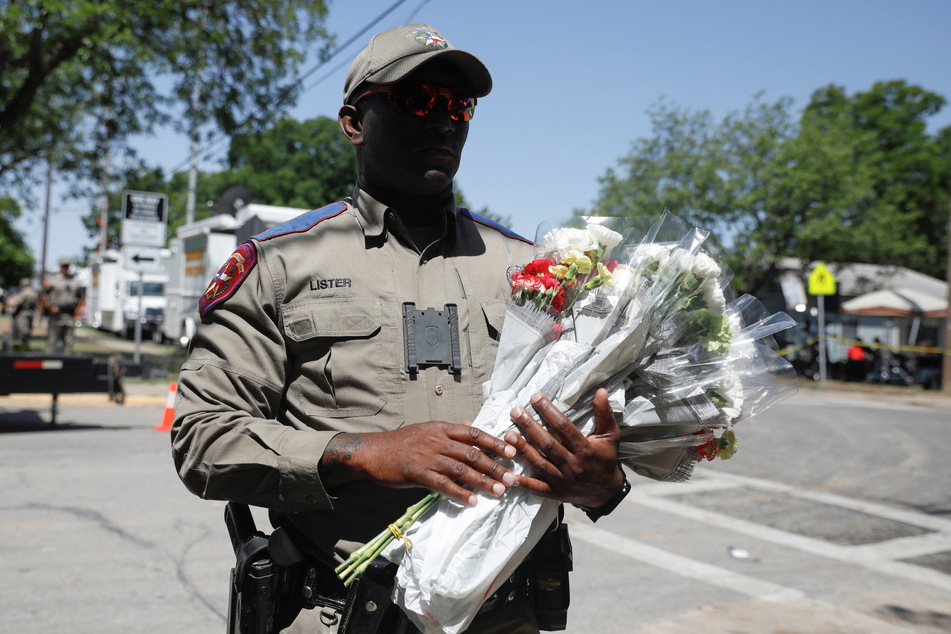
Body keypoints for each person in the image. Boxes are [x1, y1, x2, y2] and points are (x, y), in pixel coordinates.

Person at [171, 23, 627, 634]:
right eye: (417, 101)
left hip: (503, 615)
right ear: (354, 122)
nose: (443, 122)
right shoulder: (279, 265)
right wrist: (363, 453)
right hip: (343, 612)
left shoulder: (531, 271)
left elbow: (594, 430)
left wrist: (602, 484)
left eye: (457, 106)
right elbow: (203, 440)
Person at [41, 258, 85, 354]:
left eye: (67, 266)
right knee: (52, 340)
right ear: (60, 267)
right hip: (56, 315)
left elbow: (82, 297)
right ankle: (49, 362)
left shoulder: (75, 282)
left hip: (69, 315)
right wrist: (50, 307)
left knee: (69, 341)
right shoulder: (54, 282)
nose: (65, 268)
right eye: (64, 266)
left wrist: (79, 309)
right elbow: (41, 296)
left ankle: (67, 363)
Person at [8, 277, 39, 351]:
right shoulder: (34, 293)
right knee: (28, 332)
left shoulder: (24, 293)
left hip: (22, 315)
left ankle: (21, 349)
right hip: (30, 314)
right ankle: (26, 347)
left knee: (21, 333)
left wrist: (9, 301)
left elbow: (14, 303)